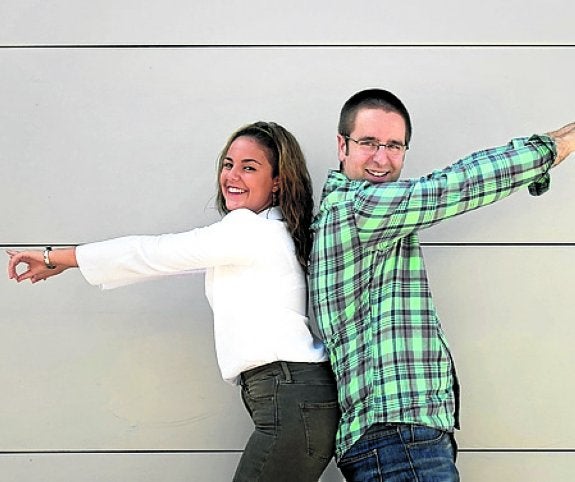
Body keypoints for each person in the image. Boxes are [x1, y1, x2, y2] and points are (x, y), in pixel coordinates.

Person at [7, 121, 339, 482]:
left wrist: (58, 257)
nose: (232, 176)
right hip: (293, 397)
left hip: (289, 397)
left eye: (249, 167)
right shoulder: (268, 231)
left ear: (277, 181)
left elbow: (155, 253)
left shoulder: (250, 230)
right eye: (228, 164)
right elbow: (163, 263)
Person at [309, 88, 575, 481]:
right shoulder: (359, 209)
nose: (381, 158)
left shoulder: (353, 212)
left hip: (393, 440)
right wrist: (553, 149)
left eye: (394, 146)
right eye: (368, 143)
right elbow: (457, 185)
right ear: (342, 146)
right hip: (400, 440)